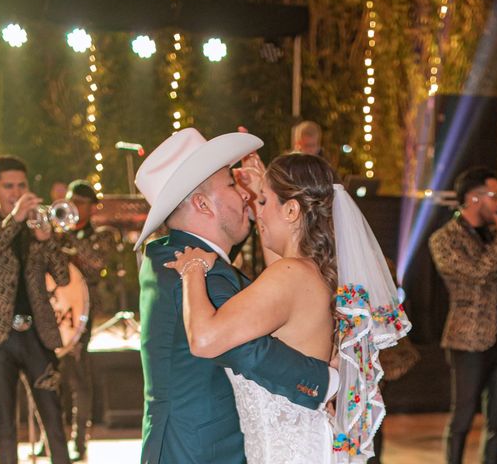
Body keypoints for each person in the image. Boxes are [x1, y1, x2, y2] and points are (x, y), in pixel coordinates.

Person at [168, 152, 411, 462]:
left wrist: (192, 269)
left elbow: (204, 340)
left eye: (264, 202)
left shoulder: (291, 276)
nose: (256, 211)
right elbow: (278, 273)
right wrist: (263, 191)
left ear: (292, 210)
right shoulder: (306, 273)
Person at [134, 128, 339, 464]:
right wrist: (327, 381)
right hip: (204, 452)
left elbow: (277, 292)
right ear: (202, 203)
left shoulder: (169, 255)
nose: (245, 194)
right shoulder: (198, 267)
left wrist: (266, 207)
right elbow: (246, 348)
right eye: (231, 184)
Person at [0, 155, 71, 464]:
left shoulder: (38, 225)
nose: (16, 192)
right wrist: (13, 222)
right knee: (5, 426)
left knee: (54, 420)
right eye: (8, 186)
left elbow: (62, 276)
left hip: (38, 335)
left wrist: (47, 240)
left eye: (21, 185)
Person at [429, 167, 497, 464]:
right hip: (469, 341)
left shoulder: (496, 234)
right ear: (473, 198)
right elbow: (478, 271)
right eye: (496, 196)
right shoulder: (445, 239)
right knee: (463, 417)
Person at [35, 180, 118, 461]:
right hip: (51, 310)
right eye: (72, 201)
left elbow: (95, 261)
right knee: (47, 375)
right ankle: (49, 437)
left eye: (81, 202)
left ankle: (79, 440)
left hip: (81, 313)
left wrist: (66, 235)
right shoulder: (56, 234)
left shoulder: (103, 234)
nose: (75, 207)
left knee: (79, 378)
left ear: (92, 206)